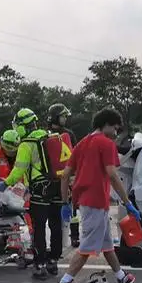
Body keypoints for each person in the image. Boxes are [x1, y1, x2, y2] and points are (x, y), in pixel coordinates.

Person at [53, 107, 141, 283]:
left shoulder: (82, 144)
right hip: (96, 201)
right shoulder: (106, 144)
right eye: (116, 129)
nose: (116, 133)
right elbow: (112, 174)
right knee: (86, 247)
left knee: (106, 243)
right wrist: (127, 202)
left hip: (84, 201)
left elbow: (66, 174)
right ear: (107, 125)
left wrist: (64, 202)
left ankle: (121, 278)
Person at [3, 107, 71, 280]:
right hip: (57, 184)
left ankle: (39, 264)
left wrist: (4, 184)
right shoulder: (50, 136)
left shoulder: (26, 144)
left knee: (39, 228)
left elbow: (19, 171)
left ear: (21, 126)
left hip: (40, 189)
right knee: (56, 225)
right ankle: (53, 261)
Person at [47, 103, 81, 247]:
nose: (65, 119)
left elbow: (75, 154)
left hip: (68, 176)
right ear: (56, 117)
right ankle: (57, 240)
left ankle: (74, 236)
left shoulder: (68, 134)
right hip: (52, 178)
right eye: (63, 116)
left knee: (72, 209)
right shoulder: (46, 134)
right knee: (54, 211)